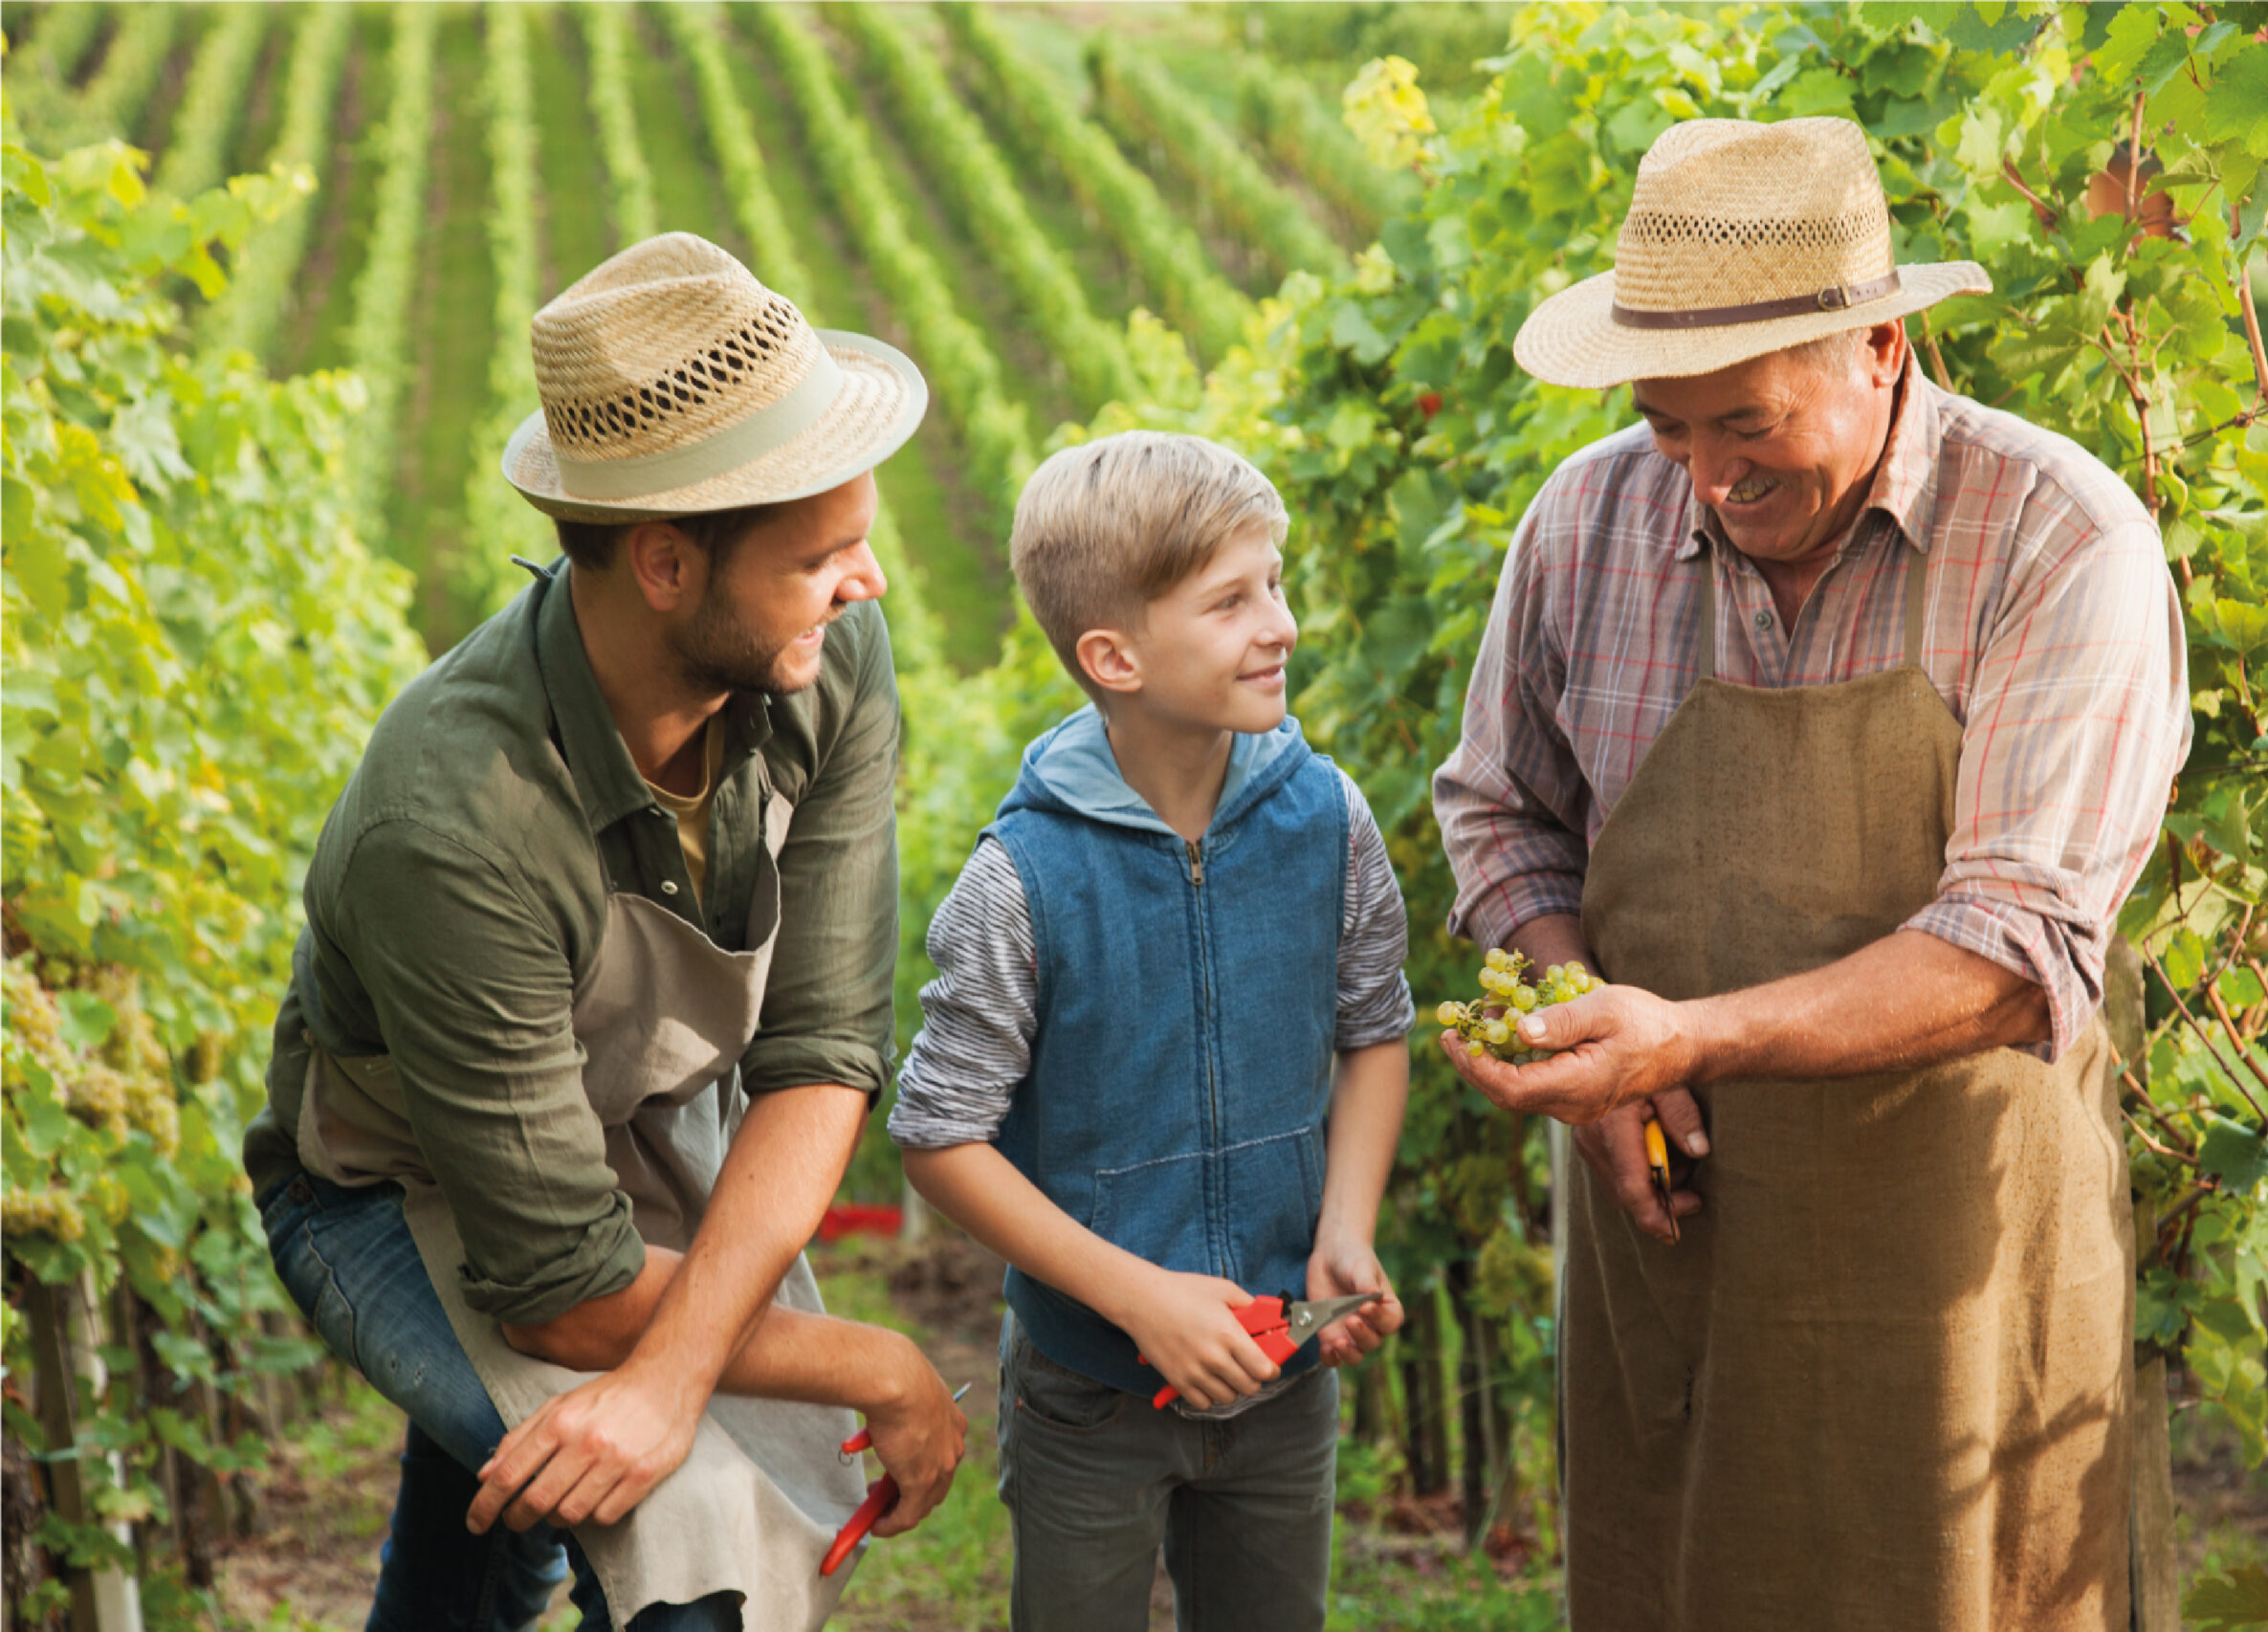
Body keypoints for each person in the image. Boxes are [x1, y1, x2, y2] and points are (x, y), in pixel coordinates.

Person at [1434, 119, 2191, 1631]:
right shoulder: (1583, 523)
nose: (1706, 476)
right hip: (1678, 1249)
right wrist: (1586, 1016)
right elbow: (1503, 811)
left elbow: (2011, 941)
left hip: (1958, 1287)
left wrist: (1689, 1039)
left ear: (1884, 345)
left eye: (1750, 424)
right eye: (1669, 425)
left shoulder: (2058, 542)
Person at [242, 233, 969, 1632]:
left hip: (631, 1147)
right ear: (662, 563)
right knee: (688, 1528)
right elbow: (565, 1294)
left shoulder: (830, 665)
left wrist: (673, 1369)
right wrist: (878, 1359)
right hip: (400, 1193)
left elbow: (820, 1053)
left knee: (527, 1495)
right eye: (822, 554)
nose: (867, 582)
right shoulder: (453, 819)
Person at [891, 431, 1413, 1632]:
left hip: (1284, 1371)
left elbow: (1374, 1026)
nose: (1277, 623)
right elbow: (938, 1137)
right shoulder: (1021, 878)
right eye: (1231, 600)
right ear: (1112, 655)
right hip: (1091, 1391)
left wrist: (1343, 1227)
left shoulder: (1326, 819)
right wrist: (1139, 1299)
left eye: (1273, 583)